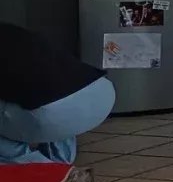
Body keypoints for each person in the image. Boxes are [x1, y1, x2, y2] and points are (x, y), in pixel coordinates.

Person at [0, 22, 115, 164]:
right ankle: (62, 164)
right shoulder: (9, 31)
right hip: (100, 93)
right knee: (50, 87)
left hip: (52, 113)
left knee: (45, 97)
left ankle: (36, 166)